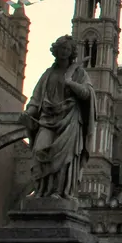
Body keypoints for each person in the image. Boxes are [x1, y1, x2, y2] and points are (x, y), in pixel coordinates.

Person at [20, 35, 97, 199]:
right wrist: (29, 113)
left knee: (63, 160)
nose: (64, 52)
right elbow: (36, 98)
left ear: (72, 52)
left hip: (70, 120)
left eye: (68, 49)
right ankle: (41, 190)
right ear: (56, 51)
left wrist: (70, 83)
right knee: (40, 151)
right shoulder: (48, 74)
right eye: (62, 49)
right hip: (47, 119)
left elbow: (87, 93)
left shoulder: (79, 73)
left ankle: (59, 192)